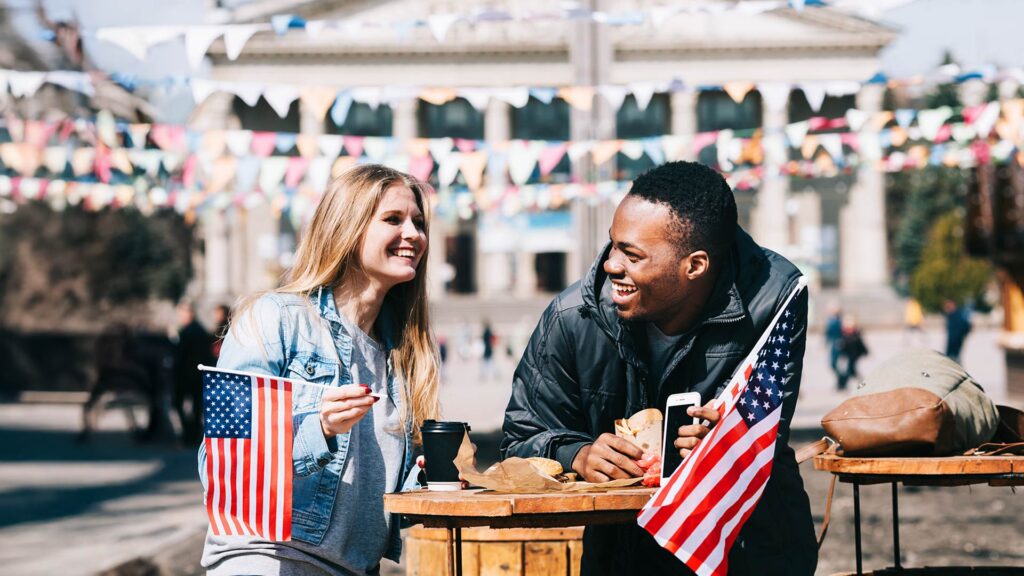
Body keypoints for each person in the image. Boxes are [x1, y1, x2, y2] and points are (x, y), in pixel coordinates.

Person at [502, 161, 816, 575]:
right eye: (613, 245)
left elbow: (766, 435)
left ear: (695, 266)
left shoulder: (773, 299)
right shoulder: (573, 316)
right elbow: (519, 440)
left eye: (632, 255)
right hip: (623, 555)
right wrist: (576, 454)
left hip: (749, 550)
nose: (611, 265)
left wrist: (724, 439)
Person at [199, 165, 441, 576]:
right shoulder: (273, 319)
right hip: (269, 561)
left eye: (418, 222)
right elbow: (221, 462)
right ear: (347, 228)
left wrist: (438, 480)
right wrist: (320, 429)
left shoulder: (404, 355)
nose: (413, 235)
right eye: (393, 220)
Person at [175, 303, 214, 446]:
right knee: (196, 407)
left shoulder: (189, 331)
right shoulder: (200, 330)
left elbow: (180, 355)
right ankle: (194, 434)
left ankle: (190, 435)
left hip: (188, 375)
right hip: (198, 374)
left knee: (184, 405)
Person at [836, 314, 868, 391]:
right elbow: (842, 344)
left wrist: (865, 351)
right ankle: (842, 385)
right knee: (850, 371)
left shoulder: (856, 332)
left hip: (854, 355)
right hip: (847, 355)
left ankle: (843, 385)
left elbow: (861, 344)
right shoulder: (843, 332)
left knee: (850, 371)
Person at [943, 299, 972, 364]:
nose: (946, 309)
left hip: (955, 344)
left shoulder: (957, 316)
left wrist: (961, 336)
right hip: (952, 345)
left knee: (955, 363)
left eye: (948, 306)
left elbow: (967, 326)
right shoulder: (950, 316)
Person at [824, 302, 843, 382]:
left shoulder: (840, 320)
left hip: (839, 344)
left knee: (836, 364)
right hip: (833, 344)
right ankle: (841, 379)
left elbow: (842, 332)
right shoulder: (830, 320)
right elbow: (827, 333)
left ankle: (842, 381)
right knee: (832, 364)